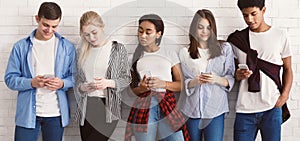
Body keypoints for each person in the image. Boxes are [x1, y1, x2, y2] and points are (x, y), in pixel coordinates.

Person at [4, 2, 75, 141]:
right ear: (37, 19)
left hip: (56, 114)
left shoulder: (67, 47)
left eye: (54, 26)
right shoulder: (21, 47)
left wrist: (61, 83)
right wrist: (31, 82)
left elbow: (75, 77)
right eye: (45, 25)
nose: (49, 30)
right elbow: (9, 79)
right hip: (27, 115)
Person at [227, 0, 293, 141]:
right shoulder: (237, 40)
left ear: (263, 10)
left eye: (253, 14)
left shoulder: (280, 35)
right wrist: (237, 75)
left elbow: (288, 69)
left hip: (272, 107)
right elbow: (231, 72)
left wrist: (285, 96)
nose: (249, 19)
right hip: (244, 109)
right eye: (245, 15)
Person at [124, 14, 190, 141]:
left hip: (168, 103)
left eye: (148, 32)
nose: (143, 35)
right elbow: (130, 92)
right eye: (140, 31)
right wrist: (141, 89)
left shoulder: (169, 53)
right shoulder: (133, 58)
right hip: (144, 105)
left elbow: (181, 84)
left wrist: (163, 84)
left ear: (158, 34)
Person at [178, 9, 235, 141]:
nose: (204, 31)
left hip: (215, 110)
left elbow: (231, 77)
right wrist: (195, 82)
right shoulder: (184, 52)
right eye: (200, 27)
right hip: (191, 110)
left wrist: (216, 79)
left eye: (208, 27)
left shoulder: (225, 48)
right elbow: (184, 82)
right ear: (194, 29)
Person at [74, 11, 131, 141]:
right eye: (86, 35)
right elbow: (77, 81)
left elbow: (126, 78)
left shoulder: (117, 49)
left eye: (94, 33)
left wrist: (108, 83)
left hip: (108, 107)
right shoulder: (81, 51)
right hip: (87, 107)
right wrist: (83, 87)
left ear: (102, 27)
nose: (91, 38)